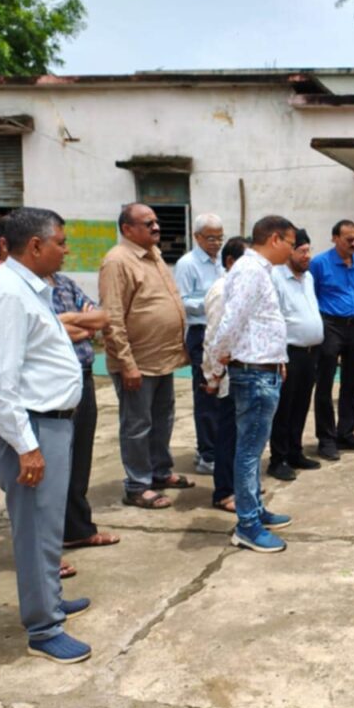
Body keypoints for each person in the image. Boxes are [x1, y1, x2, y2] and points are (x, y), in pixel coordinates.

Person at [0, 207, 93, 663]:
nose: (67, 251)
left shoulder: (29, 288)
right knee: (35, 531)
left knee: (48, 526)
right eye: (61, 242)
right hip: (33, 427)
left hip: (51, 422)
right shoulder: (7, 294)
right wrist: (27, 447)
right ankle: (44, 629)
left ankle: (50, 601)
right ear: (36, 246)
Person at [206, 216, 296, 553]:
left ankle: (255, 509)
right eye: (290, 243)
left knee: (253, 450)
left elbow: (259, 324)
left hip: (264, 370)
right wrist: (215, 368)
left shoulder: (259, 270)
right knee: (247, 453)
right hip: (254, 374)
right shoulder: (249, 270)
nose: (292, 250)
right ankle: (247, 525)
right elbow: (229, 322)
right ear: (275, 239)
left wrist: (278, 359)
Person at [99, 203, 192, 510]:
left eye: (156, 222)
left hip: (163, 359)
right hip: (137, 363)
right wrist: (127, 365)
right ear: (127, 229)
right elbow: (112, 317)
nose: (156, 227)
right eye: (148, 223)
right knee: (137, 425)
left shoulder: (154, 254)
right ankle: (137, 486)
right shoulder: (117, 261)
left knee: (163, 420)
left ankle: (159, 472)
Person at [47, 272, 119, 551]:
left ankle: (77, 529)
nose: (65, 251)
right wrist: (78, 325)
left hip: (83, 377)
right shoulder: (26, 288)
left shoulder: (65, 283)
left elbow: (100, 319)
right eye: (60, 248)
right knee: (54, 461)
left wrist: (66, 321)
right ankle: (50, 540)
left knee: (80, 457)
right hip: (54, 383)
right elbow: (45, 333)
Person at [311, 219, 354, 460]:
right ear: (335, 238)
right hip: (330, 324)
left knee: (352, 381)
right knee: (325, 382)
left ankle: (346, 432)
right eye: (349, 239)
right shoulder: (319, 263)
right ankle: (326, 439)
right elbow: (311, 295)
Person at [268, 229, 325, 480]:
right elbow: (275, 319)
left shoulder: (308, 277)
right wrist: (278, 356)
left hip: (311, 353)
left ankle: (295, 452)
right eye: (302, 251)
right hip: (289, 353)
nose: (307, 255)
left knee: (301, 405)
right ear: (290, 251)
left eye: (308, 250)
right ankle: (278, 459)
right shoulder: (276, 277)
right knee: (284, 408)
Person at [174, 213, 225, 475]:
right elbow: (181, 301)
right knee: (206, 394)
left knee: (222, 393)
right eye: (211, 238)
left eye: (220, 237)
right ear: (197, 237)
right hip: (201, 332)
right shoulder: (188, 264)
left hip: (220, 332)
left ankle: (215, 447)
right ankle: (207, 454)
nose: (216, 243)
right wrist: (212, 301)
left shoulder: (221, 262)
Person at [202, 236, 249, 513]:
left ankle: (240, 485)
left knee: (243, 436)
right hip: (228, 376)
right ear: (231, 262)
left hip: (245, 373)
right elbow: (214, 338)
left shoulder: (242, 288)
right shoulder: (222, 291)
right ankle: (224, 491)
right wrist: (213, 376)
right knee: (228, 435)